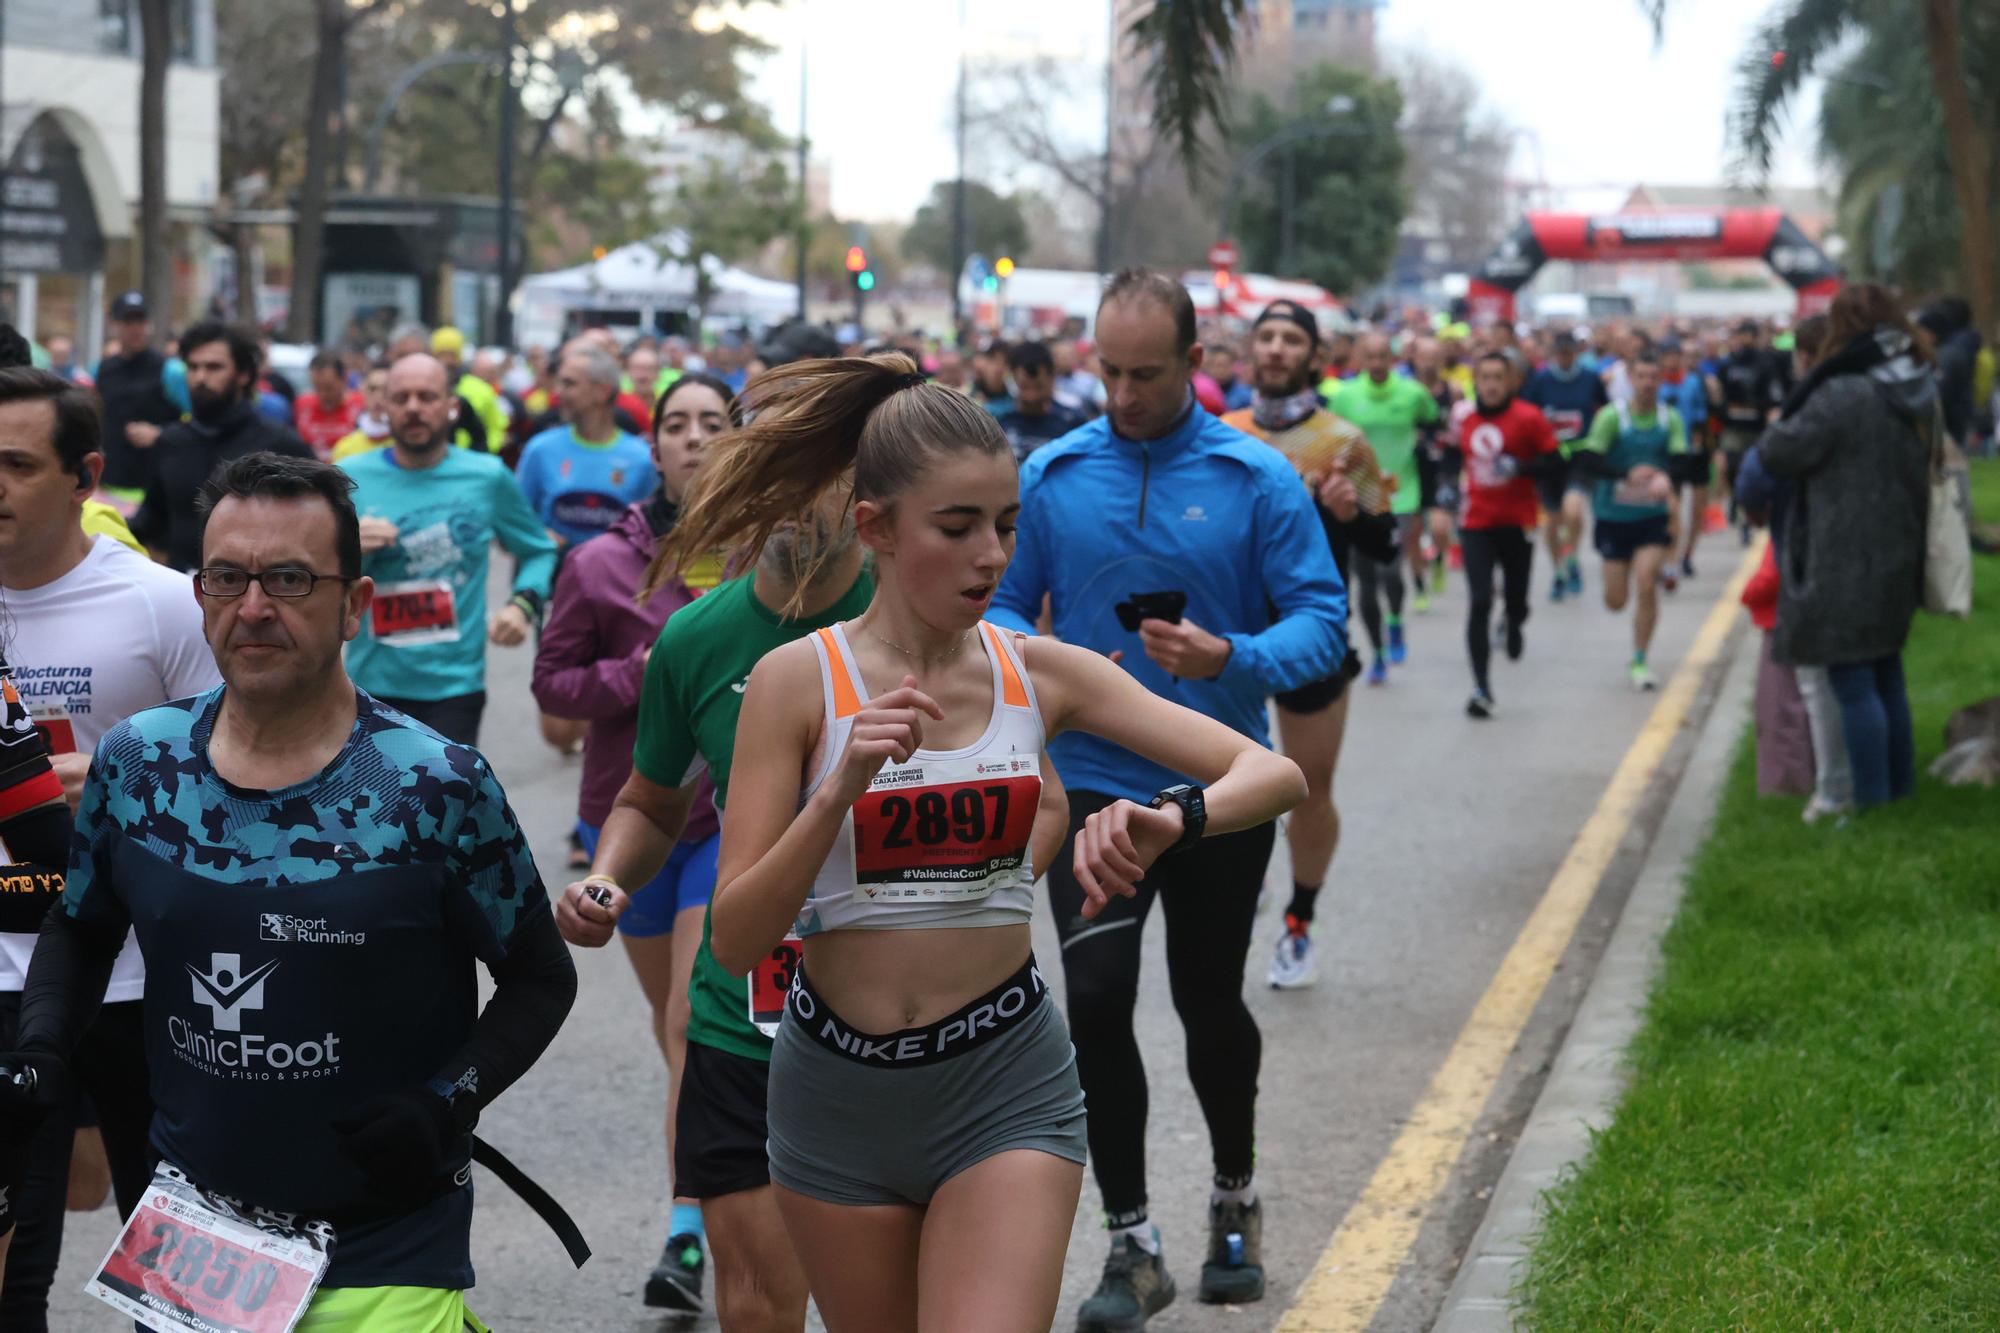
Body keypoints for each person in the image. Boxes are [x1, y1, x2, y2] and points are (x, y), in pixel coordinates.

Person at [626, 348, 1306, 1333]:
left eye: (1005, 526)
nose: (991, 555)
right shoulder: (793, 682)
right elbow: (735, 941)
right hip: (835, 1093)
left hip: (1002, 1081)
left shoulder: (1037, 670)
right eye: (958, 527)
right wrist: (837, 789)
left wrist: (1169, 818)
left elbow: (1266, 772)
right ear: (877, 528)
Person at [0, 451, 578, 1330]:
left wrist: (445, 1101)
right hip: (194, 1236)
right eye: (227, 577)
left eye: (290, 579)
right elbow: (80, 927)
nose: (254, 607)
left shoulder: (436, 785)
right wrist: (43, 1047)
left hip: (385, 1240)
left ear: (355, 606)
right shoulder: (140, 762)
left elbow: (542, 976)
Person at [992, 270, 1347, 1327]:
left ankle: (1233, 1201)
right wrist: (1039, 658)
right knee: (1093, 1000)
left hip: (1219, 781)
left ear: (1196, 363)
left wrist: (1225, 652)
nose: (1122, 391)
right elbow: (1002, 602)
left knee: (1205, 1000)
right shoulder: (1054, 474)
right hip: (1092, 782)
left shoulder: (1254, 476)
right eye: (1106, 369)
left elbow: (1321, 623)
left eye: (1146, 373)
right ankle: (1130, 1242)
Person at [555, 487, 876, 1333]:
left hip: (899, 1018)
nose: (792, 502)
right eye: (771, 474)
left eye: (818, 478)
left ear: (865, 492)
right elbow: (654, 803)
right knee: (758, 1303)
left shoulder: (913, 612)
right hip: (747, 1020)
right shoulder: (697, 638)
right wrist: (610, 873)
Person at [0, 368, 218, 1329]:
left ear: (85, 475)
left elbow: (235, 778)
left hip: (139, 978)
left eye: (15, 464)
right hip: (5, 976)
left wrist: (104, 775)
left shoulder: (162, 603)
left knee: (172, 1276)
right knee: (12, 1274)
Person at [529, 373, 735, 1314]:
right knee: (675, 1032)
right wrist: (637, 674)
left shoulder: (771, 561)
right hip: (631, 820)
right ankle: (713, 1150)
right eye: (676, 426)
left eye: (712, 424)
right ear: (650, 449)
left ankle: (688, 1231)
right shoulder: (603, 564)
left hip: (733, 828)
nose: (693, 440)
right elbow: (553, 684)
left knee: (695, 1020)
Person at [1221, 302, 1393, 991]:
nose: (1276, 348)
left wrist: (1353, 513)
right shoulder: (1222, 434)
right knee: (1226, 779)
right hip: (1228, 634)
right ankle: (1247, 873)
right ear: (1249, 350)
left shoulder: (1345, 440)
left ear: (1315, 356)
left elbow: (1386, 541)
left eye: (1291, 338)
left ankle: (1299, 921)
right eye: (1266, 336)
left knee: (1310, 787)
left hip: (1311, 634)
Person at [1758, 284, 1932, 809]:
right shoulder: (1912, 384)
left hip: (1843, 551)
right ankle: (1897, 791)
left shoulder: (1841, 392)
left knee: (1854, 681)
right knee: (1885, 673)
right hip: (1898, 543)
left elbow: (1778, 451)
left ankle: (1872, 804)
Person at [340, 353, 556, 746]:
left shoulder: (486, 477)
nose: (413, 408)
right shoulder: (350, 478)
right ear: (383, 406)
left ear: (452, 407)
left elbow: (539, 549)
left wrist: (523, 604)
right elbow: (313, 577)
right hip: (370, 685)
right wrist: (345, 550)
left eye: (427, 397)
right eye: (401, 398)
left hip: (454, 687)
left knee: (444, 806)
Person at [130, 321, 313, 572]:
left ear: (244, 374)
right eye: (192, 367)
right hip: (183, 590)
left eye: (213, 367)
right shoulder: (171, 442)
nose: (200, 377)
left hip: (254, 594)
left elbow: (314, 525)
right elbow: (151, 518)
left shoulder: (280, 444)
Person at [1571, 353, 1688, 691]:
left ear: (1660, 381)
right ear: (1631, 380)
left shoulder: (1670, 419)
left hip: (1651, 517)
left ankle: (1640, 657)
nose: (1648, 383)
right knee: (1616, 600)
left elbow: (1683, 462)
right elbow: (1590, 462)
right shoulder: (1612, 417)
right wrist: (1626, 474)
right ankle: (1632, 640)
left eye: (1654, 376)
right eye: (1641, 376)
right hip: (1613, 517)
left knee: (1647, 581)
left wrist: (1667, 476)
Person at [1327, 332, 1437, 683]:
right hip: (1359, 499)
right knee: (1366, 581)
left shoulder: (1412, 393)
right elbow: (1330, 439)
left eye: (1382, 357)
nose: (1376, 363)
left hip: (1401, 494)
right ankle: (1376, 651)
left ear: (1392, 360)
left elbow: (1432, 418)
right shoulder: (1344, 396)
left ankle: (1395, 622)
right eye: (1369, 357)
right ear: (1360, 359)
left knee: (1391, 570)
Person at [1457, 351, 1562, 719]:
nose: (1490, 385)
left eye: (1497, 378)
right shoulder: (1464, 418)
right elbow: (1449, 458)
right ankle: (1481, 687)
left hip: (1518, 522)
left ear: (1511, 382)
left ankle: (1515, 620)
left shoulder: (1529, 418)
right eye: (1484, 377)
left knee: (1516, 598)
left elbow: (1555, 463)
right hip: (1476, 522)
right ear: (1475, 380)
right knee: (1480, 600)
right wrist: (1440, 489)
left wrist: (1522, 466)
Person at [516, 344, 659, 551]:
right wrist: (539, 537)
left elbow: (654, 534)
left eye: (569, 384)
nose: (558, 392)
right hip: (555, 579)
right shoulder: (540, 450)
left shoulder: (643, 459)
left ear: (603, 391)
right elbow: (514, 523)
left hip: (616, 581)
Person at [1521, 330, 1609, 602]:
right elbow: (1526, 414)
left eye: (1569, 352)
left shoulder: (1590, 378)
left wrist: (1600, 443)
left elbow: (1605, 411)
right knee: (1552, 519)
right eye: (1561, 353)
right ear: (1553, 354)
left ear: (1576, 352)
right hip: (1548, 458)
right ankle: (1559, 569)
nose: (1565, 357)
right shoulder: (1540, 381)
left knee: (1573, 509)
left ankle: (1571, 555)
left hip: (1579, 456)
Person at [88, 292, 185, 501]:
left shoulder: (171, 370)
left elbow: (197, 424)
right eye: (127, 321)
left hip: (154, 490)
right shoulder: (101, 369)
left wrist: (160, 433)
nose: (135, 328)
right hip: (107, 487)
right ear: (113, 324)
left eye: (140, 320)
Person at [1657, 338, 1711, 584]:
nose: (1672, 361)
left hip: (1694, 450)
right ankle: (1669, 557)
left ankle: (1688, 553)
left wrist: (1701, 441)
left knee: (1698, 505)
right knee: (1672, 507)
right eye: (1667, 356)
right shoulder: (1655, 383)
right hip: (1670, 453)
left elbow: (1703, 411)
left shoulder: (1693, 381)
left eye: (1675, 356)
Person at [996, 342, 1089, 461]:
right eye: (1025, 387)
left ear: (1052, 378)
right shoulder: (1000, 419)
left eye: (1038, 387)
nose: (1031, 396)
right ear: (1014, 379)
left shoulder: (1072, 420)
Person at [430, 326, 508, 452]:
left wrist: (484, 451)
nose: (447, 360)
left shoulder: (481, 389)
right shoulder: (424, 389)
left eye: (452, 354)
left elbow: (497, 428)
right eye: (441, 354)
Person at [292, 348, 364, 459]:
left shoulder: (360, 405)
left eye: (328, 388)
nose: (322, 395)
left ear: (344, 379)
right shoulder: (302, 404)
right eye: (317, 387)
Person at [330, 360, 393, 462]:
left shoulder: (407, 446)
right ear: (363, 391)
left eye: (386, 390)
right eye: (372, 389)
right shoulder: (344, 448)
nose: (378, 396)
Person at [1206, 341, 1255, 413]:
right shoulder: (1204, 394)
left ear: (1232, 366)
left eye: (1223, 365)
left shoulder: (1246, 395)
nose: (1220, 370)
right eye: (1215, 365)